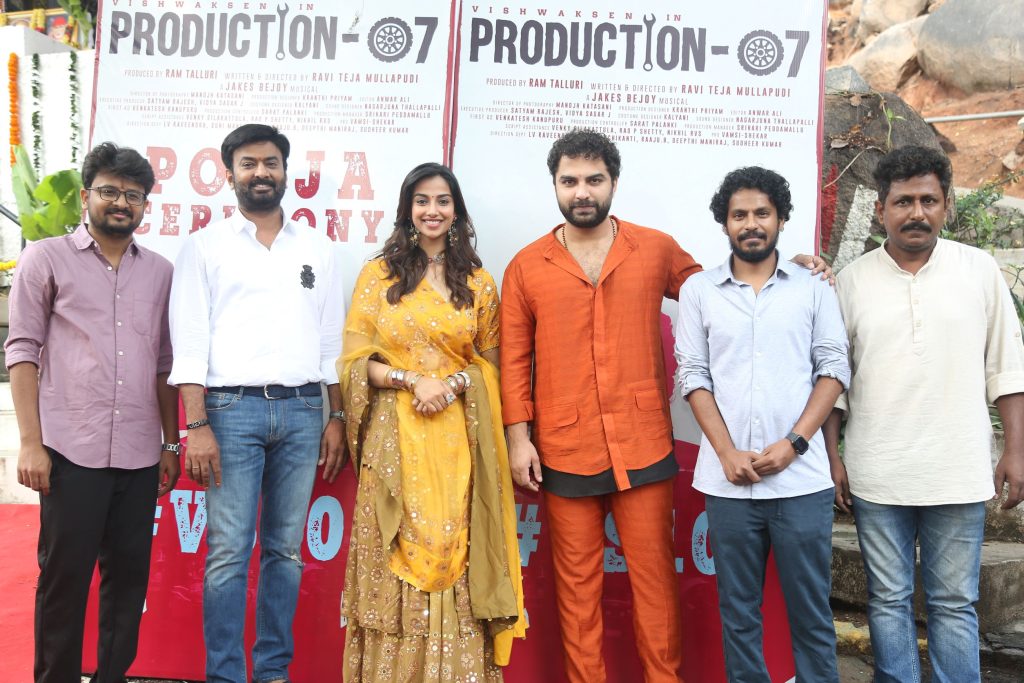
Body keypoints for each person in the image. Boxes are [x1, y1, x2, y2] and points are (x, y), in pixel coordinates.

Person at [499, 128, 830, 683]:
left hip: (643, 444)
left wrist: (788, 271)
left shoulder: (653, 249)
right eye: (570, 181)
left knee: (655, 586)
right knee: (576, 594)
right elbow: (513, 360)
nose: (583, 192)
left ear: (614, 182)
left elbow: (722, 294)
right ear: (554, 185)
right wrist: (518, 438)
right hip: (563, 447)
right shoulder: (527, 266)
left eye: (594, 180)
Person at [824, 145, 1024, 683]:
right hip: (876, 473)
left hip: (957, 471)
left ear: (946, 205)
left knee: (954, 603)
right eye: (903, 201)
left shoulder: (978, 271)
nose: (917, 212)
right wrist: (832, 458)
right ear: (880, 210)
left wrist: (1016, 451)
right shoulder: (852, 281)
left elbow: (1008, 367)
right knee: (887, 599)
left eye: (928, 201)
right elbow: (834, 382)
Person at [168, 123, 347, 683]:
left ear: (285, 172)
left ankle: (272, 672)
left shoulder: (317, 247)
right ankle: (225, 675)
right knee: (227, 552)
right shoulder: (204, 247)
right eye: (248, 164)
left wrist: (337, 415)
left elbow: (331, 344)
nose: (261, 172)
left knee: (285, 551)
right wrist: (196, 424)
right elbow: (190, 343)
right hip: (229, 412)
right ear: (230, 175)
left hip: (303, 412)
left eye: (270, 162)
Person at [338, 162, 525, 682]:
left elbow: (491, 366)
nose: (432, 211)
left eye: (443, 201)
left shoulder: (479, 283)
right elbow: (354, 363)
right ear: (407, 210)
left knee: (454, 548)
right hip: (394, 439)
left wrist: (455, 383)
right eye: (422, 201)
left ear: (457, 211)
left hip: (458, 440)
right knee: (394, 549)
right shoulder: (379, 276)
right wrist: (410, 379)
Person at [6, 142, 179, 683]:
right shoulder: (45, 258)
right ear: (85, 197)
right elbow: (22, 350)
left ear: (145, 205)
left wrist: (169, 443)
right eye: (109, 191)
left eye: (133, 195)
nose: (121, 202)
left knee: (127, 584)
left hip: (138, 454)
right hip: (69, 451)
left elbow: (165, 364)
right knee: (64, 581)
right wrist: (30, 443)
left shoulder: (160, 272)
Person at [676, 167, 849, 683]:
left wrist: (795, 443)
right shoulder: (699, 290)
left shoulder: (813, 287)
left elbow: (834, 367)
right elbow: (693, 374)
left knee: (811, 613)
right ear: (724, 223)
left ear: (781, 219)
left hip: (802, 483)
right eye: (739, 215)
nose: (751, 223)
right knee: (739, 614)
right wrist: (726, 452)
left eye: (762, 213)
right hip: (728, 483)